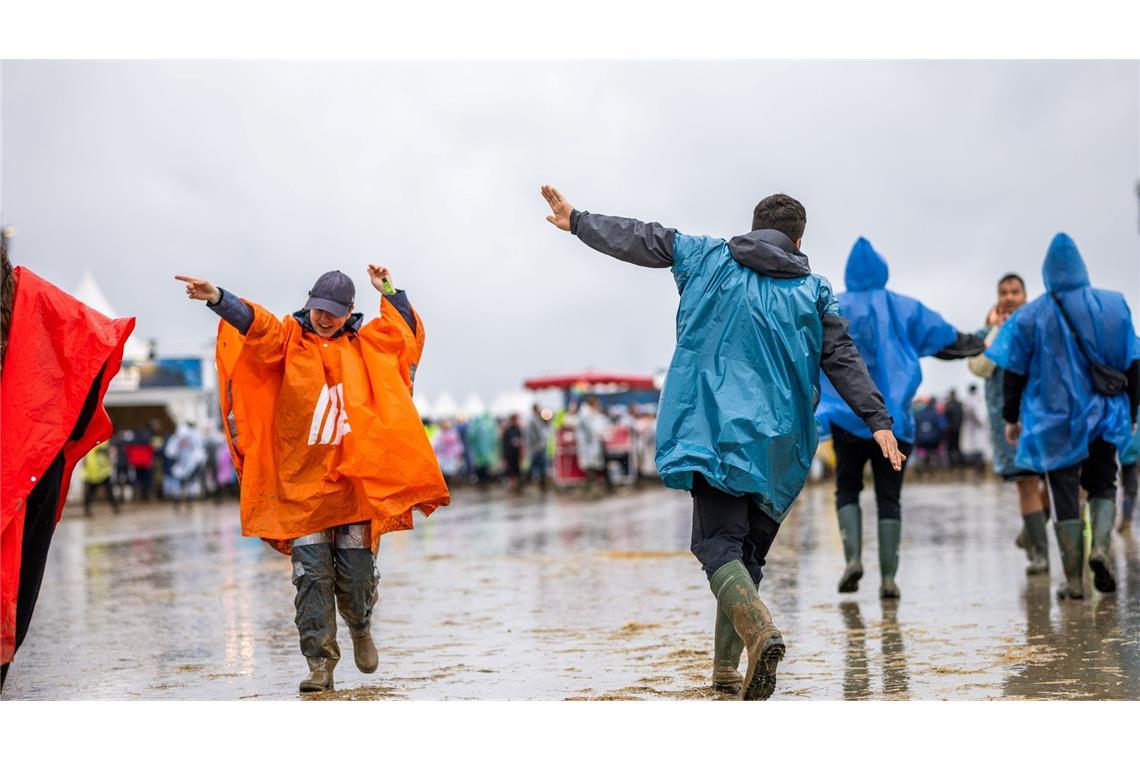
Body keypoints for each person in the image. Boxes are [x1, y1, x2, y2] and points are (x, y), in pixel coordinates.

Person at [540, 185, 903, 701]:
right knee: (745, 555)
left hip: (713, 431)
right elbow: (841, 356)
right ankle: (727, 672)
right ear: (799, 239)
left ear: (754, 225)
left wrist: (578, 220)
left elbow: (640, 239)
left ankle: (759, 634)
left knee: (716, 546)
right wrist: (878, 419)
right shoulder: (814, 289)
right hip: (781, 444)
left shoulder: (706, 256)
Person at [176, 265, 449, 693]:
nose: (324, 318)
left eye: (334, 312)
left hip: (353, 484)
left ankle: (360, 626)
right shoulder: (288, 338)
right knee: (311, 578)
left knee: (357, 574)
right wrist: (217, 298)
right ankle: (320, 663)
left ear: (349, 311)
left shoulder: (366, 344)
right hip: (300, 485)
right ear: (310, 302)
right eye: (319, 309)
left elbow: (405, 337)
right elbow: (256, 324)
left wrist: (390, 290)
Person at [816, 237, 985, 599]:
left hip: (846, 419)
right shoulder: (903, 307)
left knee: (847, 488)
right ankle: (889, 579)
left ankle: (852, 560)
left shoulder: (833, 305)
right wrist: (980, 339)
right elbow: (947, 342)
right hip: (895, 423)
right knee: (889, 499)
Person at [2, 232, 135, 688]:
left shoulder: (34, 302)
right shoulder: (31, 300)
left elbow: (92, 340)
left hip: (30, 464)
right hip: (34, 460)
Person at [987, 233, 1139, 599]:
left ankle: (1073, 582)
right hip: (1104, 415)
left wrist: (1011, 418)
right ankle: (1100, 547)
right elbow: (1134, 362)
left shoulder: (1030, 316)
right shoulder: (1114, 305)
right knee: (1104, 482)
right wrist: (1132, 411)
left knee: (1063, 495)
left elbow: (1014, 372)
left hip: (1052, 421)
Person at [968, 273, 1051, 574]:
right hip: (1005, 419)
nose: (1009, 297)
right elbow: (978, 367)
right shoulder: (986, 332)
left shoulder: (1037, 326)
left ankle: (1032, 531)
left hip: (1042, 416)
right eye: (1003, 292)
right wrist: (996, 331)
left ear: (1025, 296)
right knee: (1025, 483)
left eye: (1015, 291)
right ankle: (1040, 555)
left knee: (1054, 483)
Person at [164, 422, 207, 508]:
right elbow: (200, 451)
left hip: (183, 463)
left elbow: (170, 451)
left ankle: (179, 499)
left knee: (181, 482)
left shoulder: (178, 436)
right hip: (188, 463)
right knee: (189, 482)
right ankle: (187, 499)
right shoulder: (193, 436)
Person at [576, 396, 612, 492]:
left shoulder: (591, 413)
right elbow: (590, 430)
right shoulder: (585, 414)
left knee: (593, 464)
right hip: (589, 444)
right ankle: (592, 485)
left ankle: (594, 484)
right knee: (591, 465)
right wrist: (599, 433)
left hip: (594, 443)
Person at [81, 441, 120, 517]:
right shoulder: (92, 441)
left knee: (109, 492)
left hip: (102, 472)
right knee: (90, 493)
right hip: (93, 472)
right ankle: (87, 510)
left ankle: (116, 508)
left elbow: (110, 453)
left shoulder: (104, 441)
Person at [958, 384, 991, 469]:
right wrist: (979, 422)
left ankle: (979, 464)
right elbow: (973, 413)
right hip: (975, 427)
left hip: (976, 427)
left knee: (977, 446)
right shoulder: (975, 399)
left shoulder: (969, 399)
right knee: (976, 446)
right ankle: (978, 465)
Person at [525, 404, 551, 491]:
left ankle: (541, 483)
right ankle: (531, 481)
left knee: (540, 465)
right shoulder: (533, 420)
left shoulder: (538, 420)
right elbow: (532, 435)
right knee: (536, 465)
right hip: (536, 448)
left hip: (540, 447)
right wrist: (535, 445)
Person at [1120, 422, 1139, 533]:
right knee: (1130, 485)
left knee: (1129, 485)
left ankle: (1126, 519)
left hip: (1126, 448)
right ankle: (1126, 519)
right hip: (1130, 449)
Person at [501, 413, 524, 493]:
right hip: (509, 454)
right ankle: (512, 485)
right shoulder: (507, 430)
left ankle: (515, 486)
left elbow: (521, 442)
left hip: (516, 454)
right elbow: (503, 443)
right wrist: (504, 457)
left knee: (516, 470)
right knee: (510, 471)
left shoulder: (518, 429)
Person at [942, 390, 964, 467]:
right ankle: (959, 462)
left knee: (950, 447)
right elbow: (961, 417)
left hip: (950, 430)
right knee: (957, 446)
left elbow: (944, 418)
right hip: (958, 429)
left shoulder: (948, 405)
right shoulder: (959, 405)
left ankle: (951, 463)